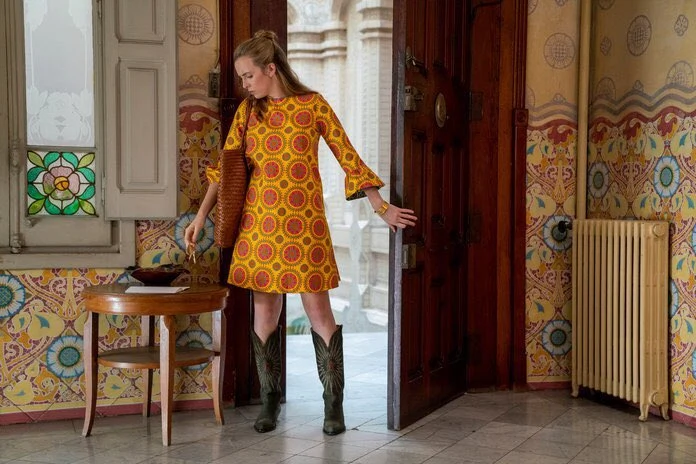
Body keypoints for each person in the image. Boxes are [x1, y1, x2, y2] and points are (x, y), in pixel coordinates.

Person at [184, 30, 417, 436]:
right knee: (265, 313)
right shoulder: (248, 113)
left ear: (271, 69)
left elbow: (347, 155)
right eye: (241, 78)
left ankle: (333, 404)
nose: (245, 84)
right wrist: (201, 217)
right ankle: (269, 401)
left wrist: (380, 206)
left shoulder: (313, 105)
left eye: (248, 76)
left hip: (305, 227)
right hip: (259, 227)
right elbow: (224, 170)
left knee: (319, 313)